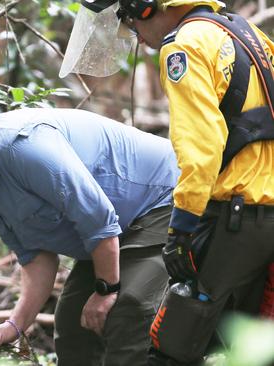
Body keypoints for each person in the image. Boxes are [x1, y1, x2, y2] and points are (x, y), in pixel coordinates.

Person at [60, 0, 274, 364]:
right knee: (243, 339)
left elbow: (201, 150)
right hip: (262, 216)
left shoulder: (184, 46)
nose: (139, 39)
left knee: (171, 345)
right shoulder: (244, 32)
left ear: (146, 9)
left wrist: (182, 228)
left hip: (235, 217)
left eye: (130, 22)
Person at [0, 108, 179, 365]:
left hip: (162, 199)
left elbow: (99, 220)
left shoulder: (23, 148)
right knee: (73, 323)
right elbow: (36, 258)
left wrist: (106, 290)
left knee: (126, 310)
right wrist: (15, 324)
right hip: (111, 231)